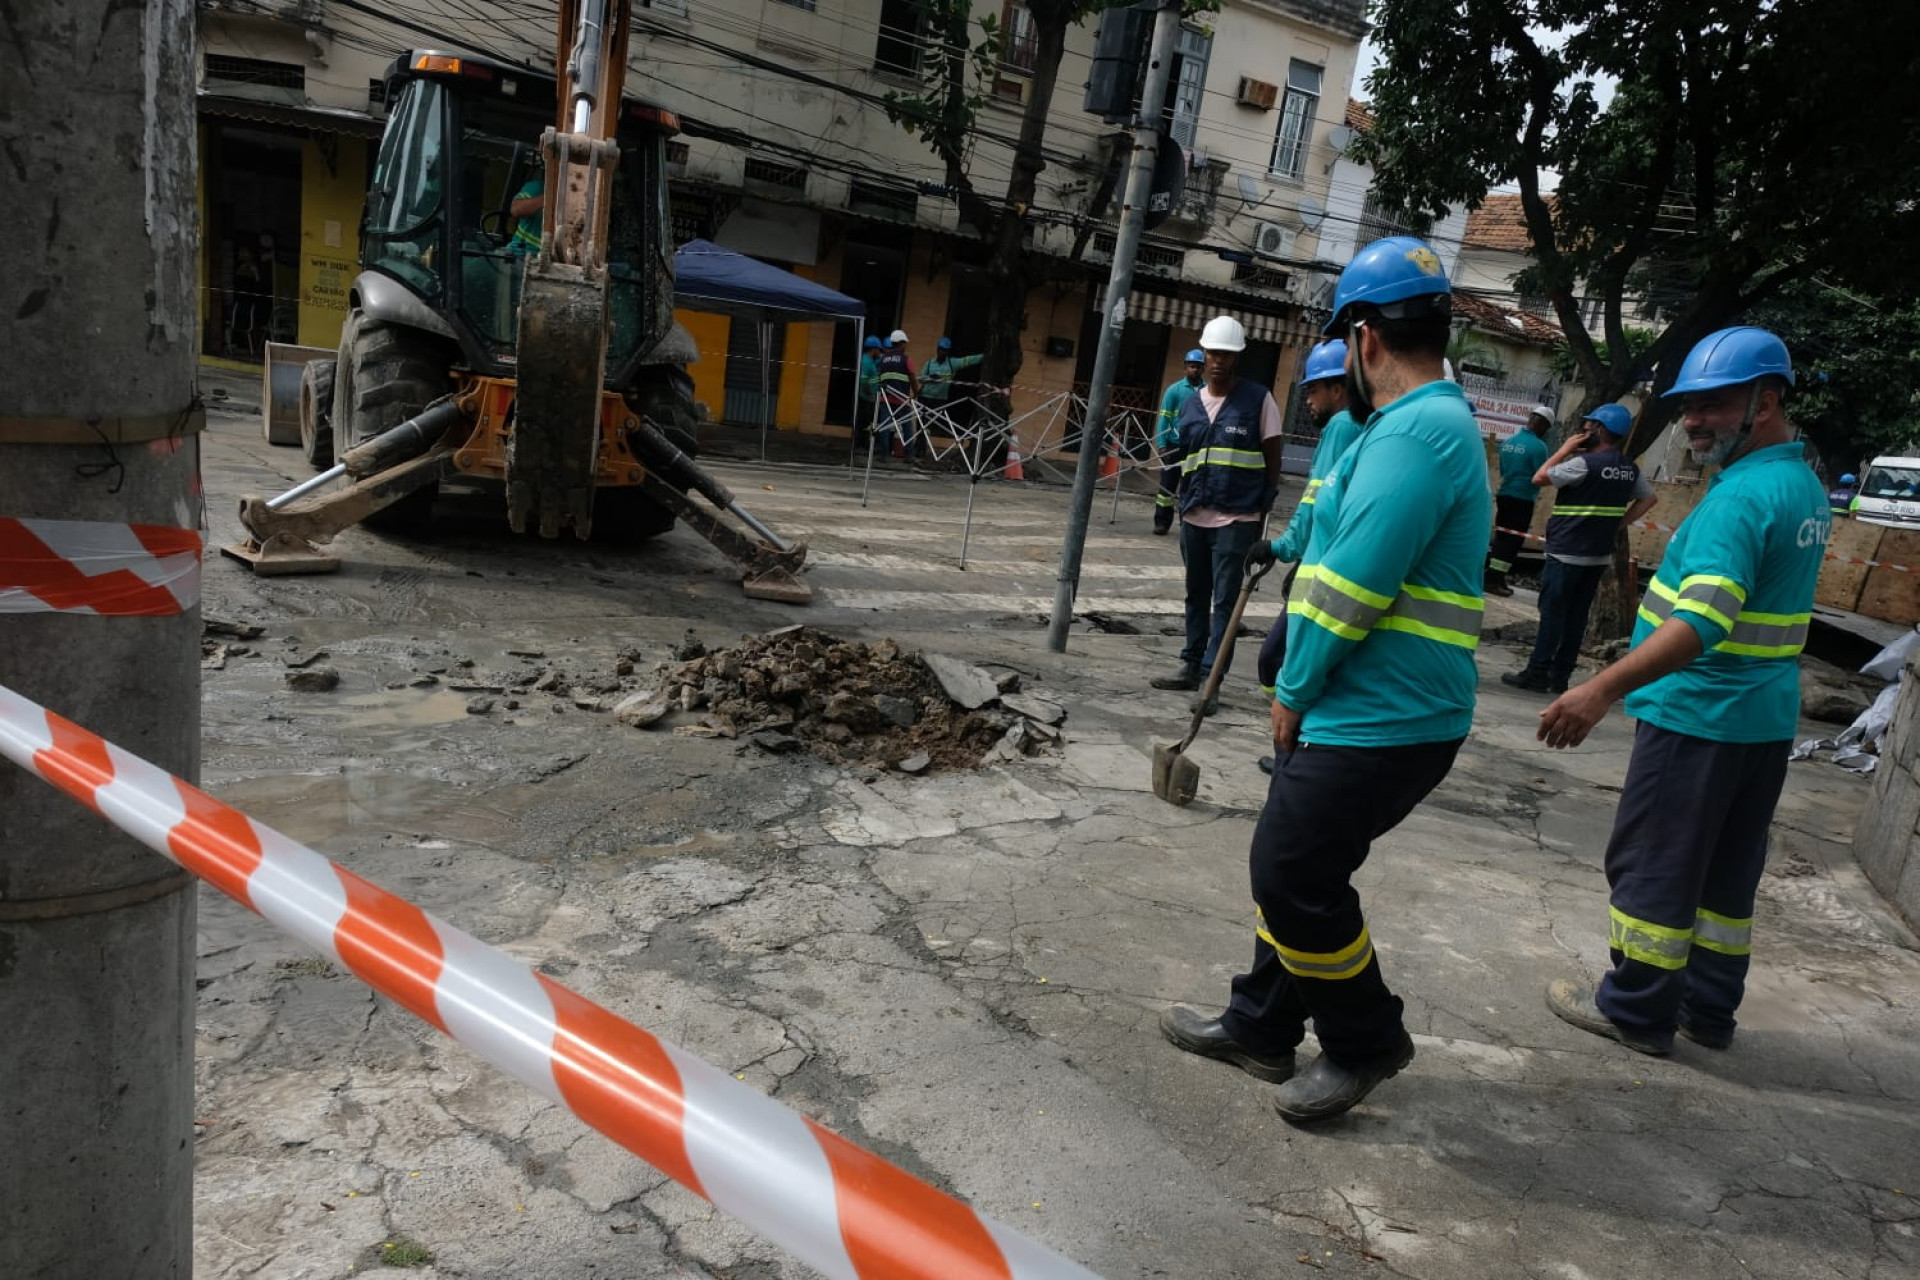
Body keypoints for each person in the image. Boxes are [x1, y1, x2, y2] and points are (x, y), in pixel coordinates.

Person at [1159, 237, 1490, 1121]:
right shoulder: (1410, 429)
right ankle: (1263, 1025)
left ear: (1368, 338)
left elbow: (1352, 586)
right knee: (1297, 864)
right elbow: (1331, 546)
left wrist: (1291, 685)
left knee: (1293, 873)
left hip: (1389, 715)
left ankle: (1366, 1040)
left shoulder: (1419, 433)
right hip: (1371, 707)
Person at [1535, 327, 1828, 1058]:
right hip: (1761, 722)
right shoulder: (1802, 486)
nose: (1695, 421)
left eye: (1715, 406)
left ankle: (1635, 1010)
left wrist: (1598, 691)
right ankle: (1708, 1010)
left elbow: (1701, 621)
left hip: (1699, 714)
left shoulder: (1741, 500)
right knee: (1726, 875)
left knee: (1657, 866)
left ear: (1766, 401)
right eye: (1689, 407)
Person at [1149, 318, 1283, 714]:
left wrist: (1262, 513)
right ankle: (1189, 664)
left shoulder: (1260, 400)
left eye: (1226, 354)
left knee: (1225, 602)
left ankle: (1211, 680)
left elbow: (1272, 459)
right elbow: (1180, 458)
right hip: (1194, 515)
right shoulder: (1190, 404)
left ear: (1237, 357)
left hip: (1237, 519)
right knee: (1196, 594)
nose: (1218, 361)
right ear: (1203, 355)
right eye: (1213, 353)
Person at [1247, 337, 1360, 775]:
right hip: (1319, 565)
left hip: (1322, 575)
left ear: (1337, 388)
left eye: (1313, 390)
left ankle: (1290, 754)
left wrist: (1282, 548)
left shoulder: (1342, 427)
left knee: (1276, 661)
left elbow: (1316, 500)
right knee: (1282, 662)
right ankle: (1289, 751)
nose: (1308, 400)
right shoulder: (1356, 426)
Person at [1500, 403, 1658, 694]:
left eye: (1588, 428)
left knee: (1553, 614)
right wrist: (1619, 524)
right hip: (1597, 556)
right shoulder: (1629, 469)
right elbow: (1649, 499)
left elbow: (1539, 478)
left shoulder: (1583, 464)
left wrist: (1564, 449)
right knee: (1576, 618)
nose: (1583, 432)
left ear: (1599, 430)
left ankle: (1537, 673)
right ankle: (1560, 678)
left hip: (1566, 553)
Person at [1485, 406, 1554, 596]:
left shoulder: (1509, 442)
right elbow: (1539, 475)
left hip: (1505, 494)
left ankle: (1496, 576)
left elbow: (1504, 469)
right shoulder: (1539, 447)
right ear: (1543, 425)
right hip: (1522, 498)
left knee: (1502, 537)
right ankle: (1493, 579)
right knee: (1512, 541)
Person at [1152, 350, 1205, 535]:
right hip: (1174, 446)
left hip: (1196, 447)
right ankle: (1161, 523)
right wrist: (1161, 444)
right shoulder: (1174, 390)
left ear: (1203, 368)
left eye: (1198, 367)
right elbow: (1164, 418)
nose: (1195, 370)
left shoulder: (1207, 391)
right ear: (1185, 367)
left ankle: (1187, 525)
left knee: (1190, 487)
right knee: (1167, 486)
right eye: (1192, 366)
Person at [874, 329, 919, 459]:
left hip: (885, 399)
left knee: (884, 426)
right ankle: (910, 454)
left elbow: (880, 377)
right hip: (902, 400)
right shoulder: (906, 360)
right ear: (901, 343)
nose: (906, 346)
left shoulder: (883, 360)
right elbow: (912, 377)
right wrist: (916, 393)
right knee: (906, 427)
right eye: (905, 343)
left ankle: (884, 455)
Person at [920, 337, 984, 421]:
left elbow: (967, 360)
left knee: (933, 424)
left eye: (945, 350)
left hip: (940, 400)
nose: (943, 352)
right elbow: (920, 379)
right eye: (942, 349)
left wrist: (983, 356)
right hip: (925, 398)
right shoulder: (929, 363)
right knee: (921, 424)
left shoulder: (952, 363)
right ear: (937, 349)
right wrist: (930, 378)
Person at [856, 335, 884, 450]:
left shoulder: (870, 360)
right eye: (879, 349)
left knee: (867, 423)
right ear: (873, 349)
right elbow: (864, 383)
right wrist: (871, 396)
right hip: (865, 398)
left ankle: (863, 444)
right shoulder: (866, 361)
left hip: (869, 398)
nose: (879, 352)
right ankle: (861, 445)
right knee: (864, 423)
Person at [507, 172, 544, 255]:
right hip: (518, 253)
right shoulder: (537, 187)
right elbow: (516, 210)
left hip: (544, 260)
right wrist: (548, 197)